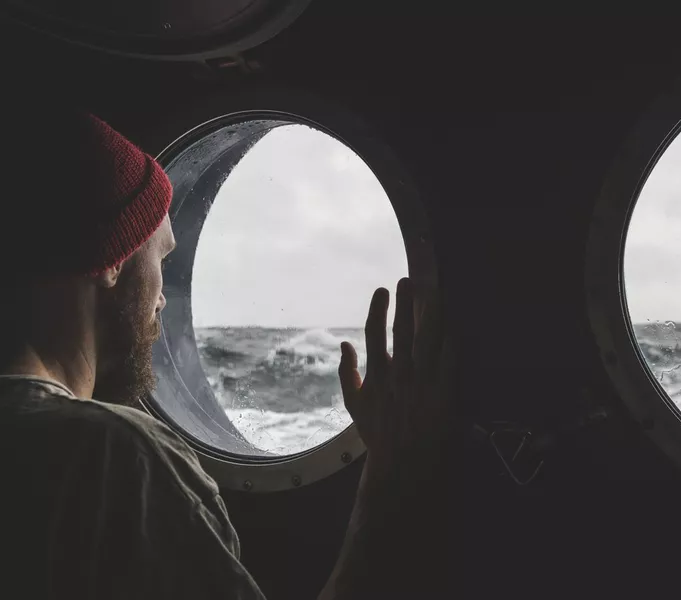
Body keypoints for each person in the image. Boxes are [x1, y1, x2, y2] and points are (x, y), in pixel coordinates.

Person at [0, 107, 452, 599]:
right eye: (162, 258)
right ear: (112, 262)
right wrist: (386, 471)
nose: (163, 297)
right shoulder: (118, 460)